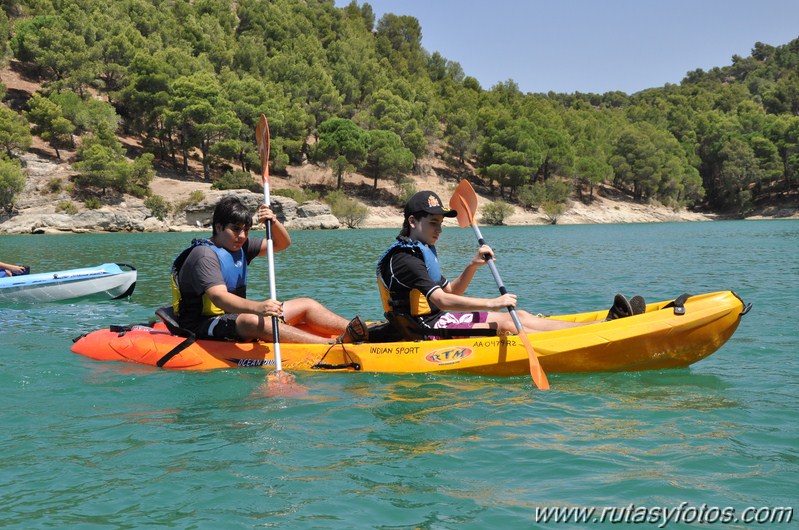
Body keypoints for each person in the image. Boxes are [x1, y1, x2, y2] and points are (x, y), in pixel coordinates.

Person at [376, 190, 645, 338]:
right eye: (433, 223)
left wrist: (471, 266)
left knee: (523, 317)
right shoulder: (404, 259)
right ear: (412, 222)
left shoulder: (421, 251)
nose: (439, 229)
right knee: (506, 325)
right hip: (422, 330)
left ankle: (602, 326)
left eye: (441, 223)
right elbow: (444, 303)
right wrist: (493, 303)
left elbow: (451, 292)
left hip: (440, 319)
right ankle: (591, 335)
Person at [171, 196, 367, 345]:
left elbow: (281, 244)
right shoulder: (204, 255)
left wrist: (273, 222)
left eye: (246, 230)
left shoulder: (240, 246)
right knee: (254, 321)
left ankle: (366, 332)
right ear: (219, 227)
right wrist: (259, 308)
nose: (242, 235)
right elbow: (220, 298)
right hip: (203, 324)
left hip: (232, 317)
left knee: (306, 305)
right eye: (236, 229)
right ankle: (332, 344)